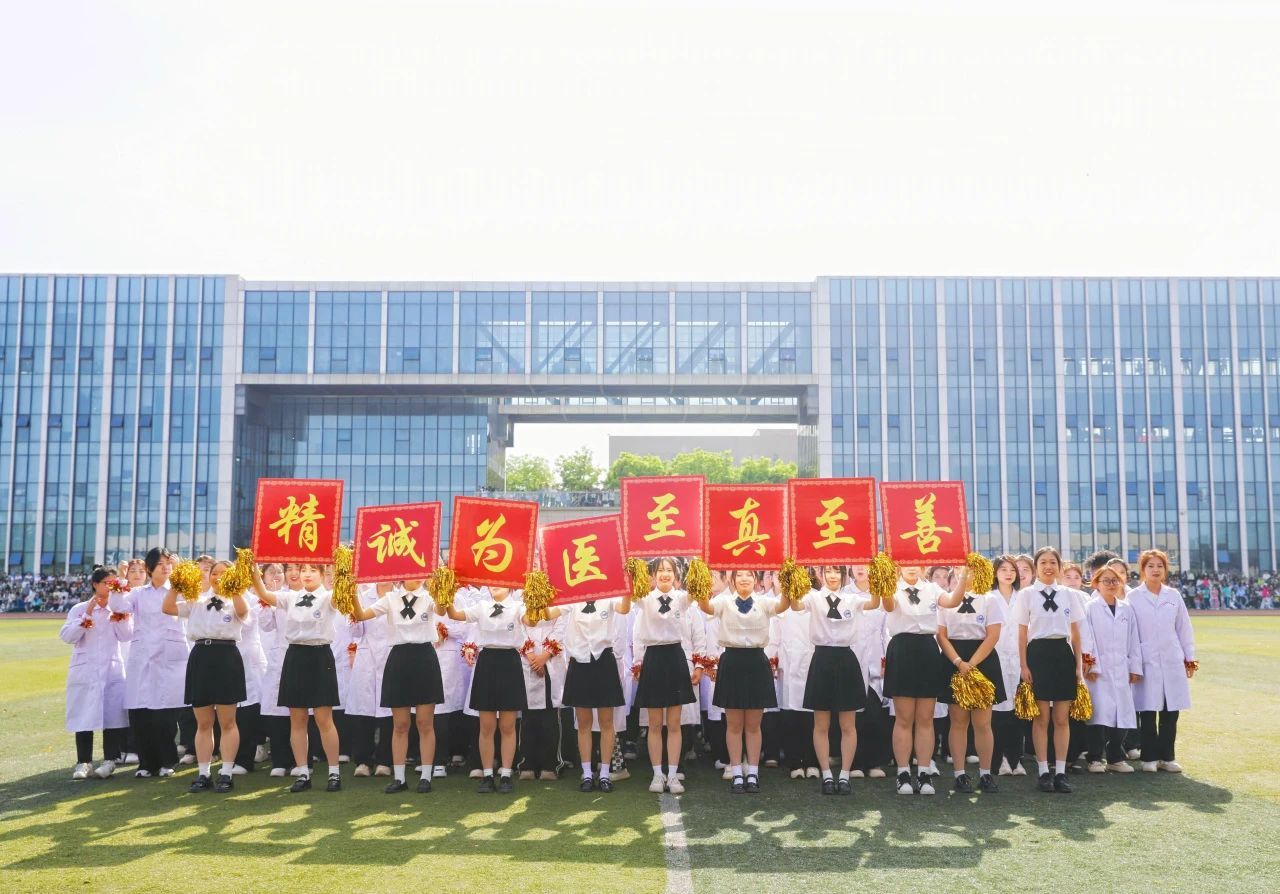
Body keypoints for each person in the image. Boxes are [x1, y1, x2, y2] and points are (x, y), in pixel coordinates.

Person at [873, 563, 970, 796]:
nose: (911, 568)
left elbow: (952, 601)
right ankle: (903, 773)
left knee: (926, 718)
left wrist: (964, 575)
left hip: (927, 649)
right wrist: (884, 580)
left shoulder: (932, 589)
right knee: (904, 718)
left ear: (923, 566)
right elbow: (888, 605)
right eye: (906, 563)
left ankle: (924, 772)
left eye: (915, 563)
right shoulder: (893, 587)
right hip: (902, 649)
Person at [252, 562, 344, 793]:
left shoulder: (328, 596)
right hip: (295, 656)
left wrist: (343, 569)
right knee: (298, 719)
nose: (306, 574)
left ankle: (334, 773)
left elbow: (343, 596)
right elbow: (263, 593)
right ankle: (303, 773)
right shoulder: (290, 597)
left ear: (322, 574)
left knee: (324, 719)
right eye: (303, 570)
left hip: (320, 656)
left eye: (313, 570)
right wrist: (251, 568)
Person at [349, 578, 444, 793]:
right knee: (400, 724)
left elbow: (441, 609)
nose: (415, 577)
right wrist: (351, 592)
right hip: (399, 659)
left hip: (424, 657)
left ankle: (426, 777)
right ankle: (399, 778)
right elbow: (361, 615)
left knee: (424, 722)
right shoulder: (391, 598)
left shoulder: (429, 597)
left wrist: (440, 588)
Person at [697, 568, 789, 794]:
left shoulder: (764, 602)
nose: (744, 578)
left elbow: (782, 606)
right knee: (734, 724)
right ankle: (737, 772)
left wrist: (789, 580)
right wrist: (699, 583)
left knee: (754, 725)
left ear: (756, 580)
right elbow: (706, 607)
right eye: (739, 575)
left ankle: (753, 773)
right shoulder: (724, 602)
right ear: (732, 580)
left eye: (749, 575)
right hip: (732, 662)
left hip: (757, 661)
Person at [163, 559, 249, 793]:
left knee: (227, 721)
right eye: (214, 573)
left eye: (224, 573)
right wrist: (176, 585)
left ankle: (227, 773)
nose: (218, 577)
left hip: (227, 657)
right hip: (201, 656)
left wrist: (235, 589)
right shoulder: (196, 600)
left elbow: (243, 613)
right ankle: (203, 773)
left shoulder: (237, 599)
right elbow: (168, 608)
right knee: (203, 722)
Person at [108, 547, 186, 779]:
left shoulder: (179, 589)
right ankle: (146, 763)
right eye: (160, 564)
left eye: (168, 563)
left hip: (168, 656)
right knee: (141, 713)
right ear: (150, 568)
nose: (165, 567)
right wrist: (121, 579)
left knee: (165, 714)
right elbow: (118, 606)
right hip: (142, 657)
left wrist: (181, 572)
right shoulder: (139, 593)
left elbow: (192, 603)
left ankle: (167, 761)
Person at [1014, 547, 1086, 794]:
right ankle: (1044, 771)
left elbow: (1076, 634)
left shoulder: (1069, 595)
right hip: (1037, 654)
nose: (1048, 566)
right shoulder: (1026, 595)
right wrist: (1024, 665)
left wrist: (1078, 666)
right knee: (1041, 718)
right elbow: (1022, 632)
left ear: (1059, 566)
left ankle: (1061, 772)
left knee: (1062, 718)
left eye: (1053, 562)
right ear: (1036, 567)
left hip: (1062, 654)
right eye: (1043, 562)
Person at [791, 565, 868, 795]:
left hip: (846, 659)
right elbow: (795, 606)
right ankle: (826, 774)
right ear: (822, 574)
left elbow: (874, 604)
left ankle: (844, 775)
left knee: (848, 725)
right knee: (821, 724)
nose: (833, 576)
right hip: (822, 659)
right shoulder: (814, 598)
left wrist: (881, 580)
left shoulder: (852, 598)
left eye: (837, 572)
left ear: (843, 575)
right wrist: (791, 583)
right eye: (828, 572)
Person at [544, 592, 633, 792]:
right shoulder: (573, 598)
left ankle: (605, 774)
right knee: (584, 722)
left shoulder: (609, 596)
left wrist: (628, 590)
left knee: (606, 722)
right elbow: (549, 614)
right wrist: (541, 595)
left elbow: (624, 608)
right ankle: (586, 773)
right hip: (580, 662)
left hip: (604, 661)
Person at [444, 585, 527, 793]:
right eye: (491, 582)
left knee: (507, 726)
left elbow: (531, 621)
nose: (494, 586)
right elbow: (455, 614)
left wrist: (536, 600)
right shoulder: (481, 606)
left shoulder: (518, 607)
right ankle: (488, 775)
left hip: (510, 662)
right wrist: (445, 593)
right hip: (487, 662)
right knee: (486, 726)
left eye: (500, 582)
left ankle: (506, 774)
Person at [632, 557, 699, 794]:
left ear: (675, 574)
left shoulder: (681, 598)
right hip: (653, 658)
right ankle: (657, 774)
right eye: (660, 570)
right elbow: (631, 592)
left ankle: (672, 774)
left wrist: (698, 564)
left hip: (675, 657)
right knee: (654, 723)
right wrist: (634, 567)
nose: (665, 574)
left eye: (669, 570)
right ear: (652, 575)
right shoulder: (645, 599)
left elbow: (697, 591)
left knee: (673, 723)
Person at [936, 574, 1007, 794]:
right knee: (958, 721)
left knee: (983, 722)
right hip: (954, 659)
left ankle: (985, 774)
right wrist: (959, 662)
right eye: (960, 570)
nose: (965, 574)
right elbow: (941, 635)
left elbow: (993, 635)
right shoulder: (946, 600)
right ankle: (959, 774)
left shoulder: (990, 599)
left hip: (982, 659)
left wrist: (972, 664)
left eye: (971, 569)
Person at [1128, 549, 1197, 773]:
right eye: (1151, 566)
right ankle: (1149, 757)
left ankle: (1167, 757)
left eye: (1160, 566)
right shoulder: (1133, 597)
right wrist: (1134, 665)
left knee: (1170, 711)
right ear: (1142, 570)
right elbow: (1131, 634)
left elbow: (1184, 628)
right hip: (1145, 661)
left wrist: (1189, 658)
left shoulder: (1173, 596)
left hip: (1172, 660)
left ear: (1166, 570)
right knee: (1148, 711)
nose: (1155, 570)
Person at [60, 567, 132, 780]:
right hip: (86, 670)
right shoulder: (79, 609)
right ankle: (84, 762)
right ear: (95, 585)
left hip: (111, 669)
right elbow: (67, 636)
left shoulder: (118, 609)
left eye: (114, 584)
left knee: (112, 716)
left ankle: (110, 760)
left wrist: (120, 616)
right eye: (107, 584)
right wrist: (87, 614)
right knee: (84, 716)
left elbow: (126, 635)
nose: (111, 588)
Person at [1082, 565, 1142, 773]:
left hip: (1122, 670)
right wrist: (1091, 664)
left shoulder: (1127, 609)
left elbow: (1134, 640)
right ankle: (1095, 758)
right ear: (1096, 584)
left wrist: (1135, 667)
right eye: (1106, 580)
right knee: (1099, 715)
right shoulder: (1090, 608)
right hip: (1098, 671)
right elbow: (1087, 638)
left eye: (1115, 580)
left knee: (1123, 713)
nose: (1111, 584)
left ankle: (1116, 757)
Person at [988, 556, 1025, 776]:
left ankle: (1016, 759)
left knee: (1017, 713)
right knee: (996, 714)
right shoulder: (988, 597)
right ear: (995, 573)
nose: (1008, 573)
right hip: (995, 660)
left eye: (1012, 569)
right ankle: (998, 759)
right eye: (1003, 569)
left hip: (1019, 661)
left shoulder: (1023, 597)